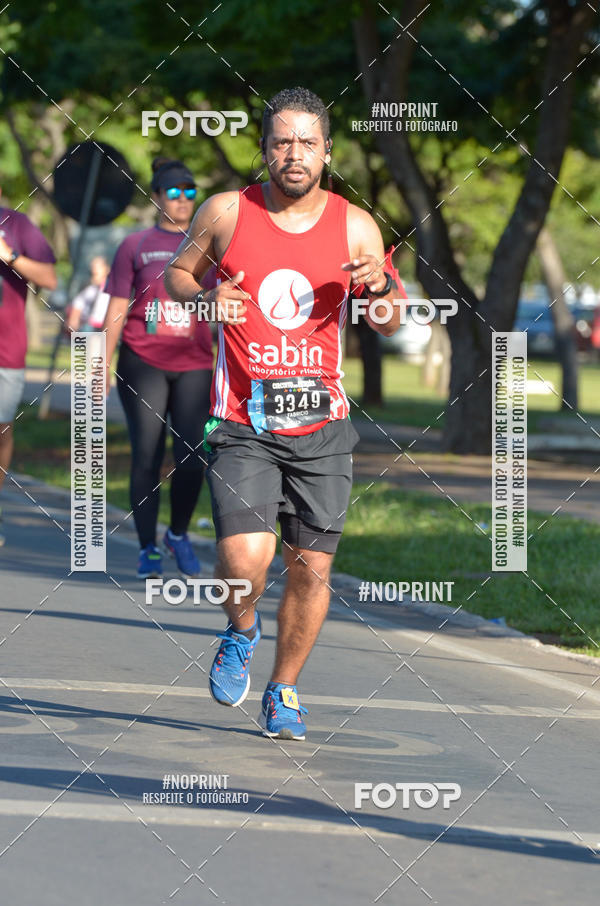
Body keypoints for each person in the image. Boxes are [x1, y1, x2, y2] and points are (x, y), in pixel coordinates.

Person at [164, 87, 401, 741]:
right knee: (243, 558)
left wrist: (377, 286)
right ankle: (242, 628)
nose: (293, 154)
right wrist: (208, 294)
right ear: (264, 148)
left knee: (311, 568)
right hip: (243, 420)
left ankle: (285, 688)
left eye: (307, 142)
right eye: (281, 141)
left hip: (321, 426)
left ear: (327, 150)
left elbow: (388, 320)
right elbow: (175, 277)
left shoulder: (355, 225)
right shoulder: (225, 212)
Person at [103, 157, 213, 579]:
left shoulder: (209, 244)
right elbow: (116, 305)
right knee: (146, 456)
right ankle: (147, 546)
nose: (183, 199)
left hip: (195, 364)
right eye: (174, 191)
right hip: (141, 361)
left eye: (190, 191)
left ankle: (178, 534)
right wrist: (99, 362)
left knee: (190, 457)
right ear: (156, 197)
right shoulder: (135, 244)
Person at [0, 187, 57, 547]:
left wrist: (10, 256)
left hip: (5, 353)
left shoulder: (16, 223)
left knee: (1, 429)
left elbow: (49, 278)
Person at [66, 256, 110, 333]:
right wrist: (73, 321)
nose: (94, 269)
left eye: (99, 267)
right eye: (93, 267)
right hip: (88, 326)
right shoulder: (88, 288)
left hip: (106, 327)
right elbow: (77, 304)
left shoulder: (111, 288)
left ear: (106, 269)